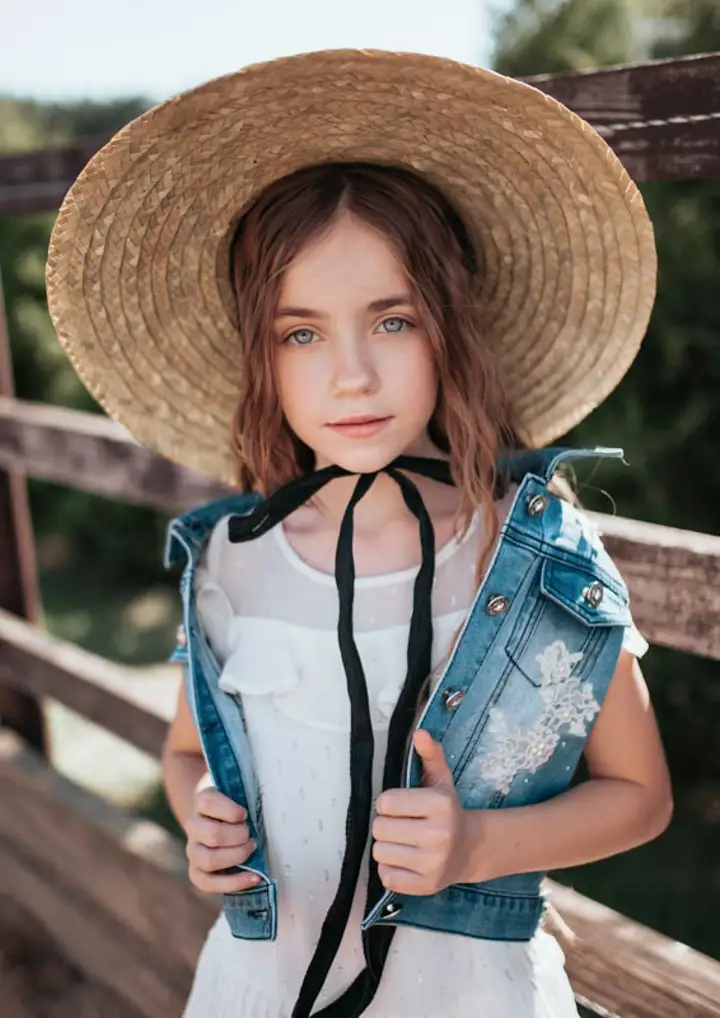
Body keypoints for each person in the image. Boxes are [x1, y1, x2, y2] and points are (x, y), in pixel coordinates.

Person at [46, 49, 672, 1018]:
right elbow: (184, 753)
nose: (350, 376)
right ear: (261, 356)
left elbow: (640, 792)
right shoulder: (232, 558)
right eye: (301, 332)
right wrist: (197, 819)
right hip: (259, 988)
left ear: (451, 327)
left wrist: (481, 847)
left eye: (391, 321)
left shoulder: (533, 561)